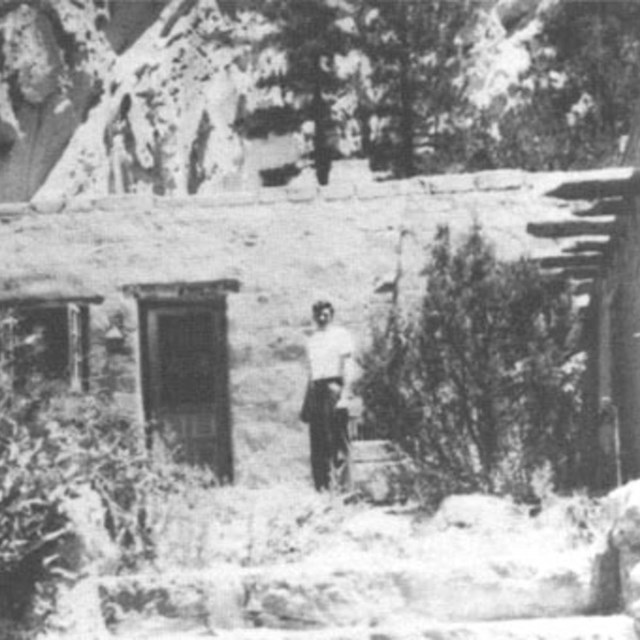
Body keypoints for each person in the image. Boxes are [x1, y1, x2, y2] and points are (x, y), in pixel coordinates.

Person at [301, 300, 355, 491]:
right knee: (318, 441)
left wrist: (345, 396)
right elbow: (311, 373)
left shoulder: (341, 335)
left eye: (326, 314)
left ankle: (343, 488)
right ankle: (322, 489)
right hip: (317, 391)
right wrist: (307, 403)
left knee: (336, 439)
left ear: (332, 314)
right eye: (318, 315)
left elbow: (348, 366)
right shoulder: (312, 340)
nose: (322, 318)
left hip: (334, 388)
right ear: (314, 316)